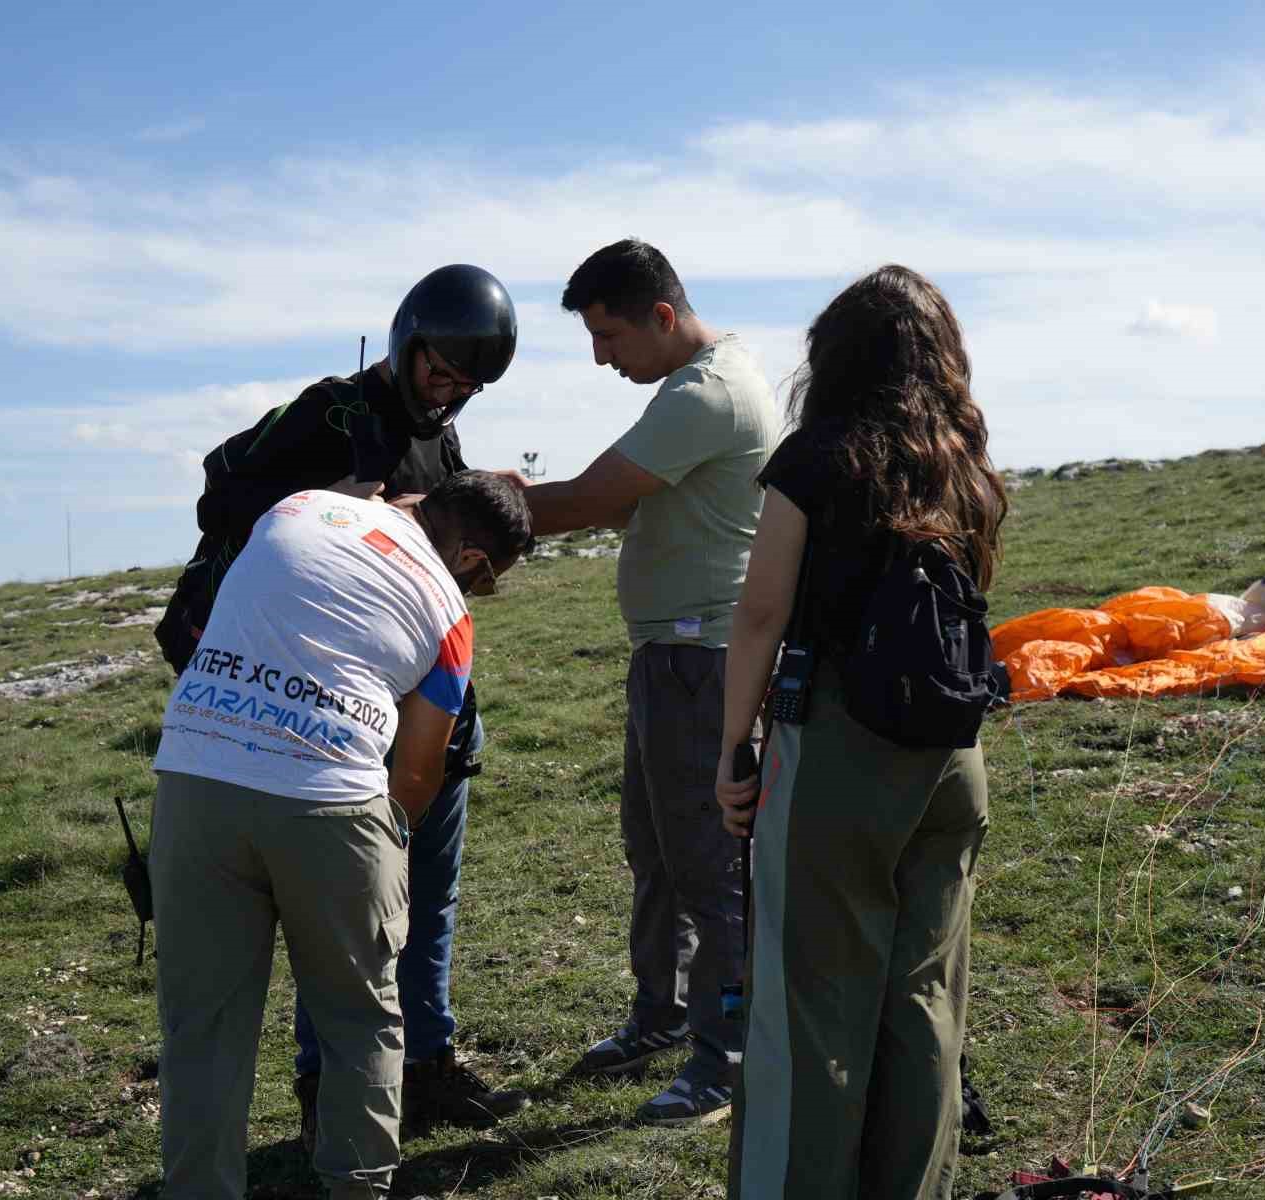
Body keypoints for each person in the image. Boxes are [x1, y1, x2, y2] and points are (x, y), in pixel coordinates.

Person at [152, 264, 531, 1143]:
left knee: (427, 898)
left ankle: (425, 1066)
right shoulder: (331, 411)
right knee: (343, 923)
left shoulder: (443, 441)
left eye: (470, 384)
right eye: (441, 370)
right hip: (311, 723)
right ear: (408, 342)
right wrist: (353, 504)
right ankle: (329, 1088)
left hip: (415, 702)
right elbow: (222, 489)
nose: (451, 393)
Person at [714, 265, 1005, 1199]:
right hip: (953, 759)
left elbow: (761, 613)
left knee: (811, 1009)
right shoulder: (965, 462)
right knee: (923, 1001)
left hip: (838, 749)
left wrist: (734, 751)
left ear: (833, 356)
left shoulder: (817, 455)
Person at [524, 239, 778, 1124]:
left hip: (699, 661)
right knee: (657, 851)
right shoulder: (690, 387)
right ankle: (662, 1016)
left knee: (708, 865)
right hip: (670, 658)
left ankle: (724, 1055)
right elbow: (623, 497)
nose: (601, 358)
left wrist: (448, 512)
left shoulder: (705, 395)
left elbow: (591, 499)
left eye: (608, 336)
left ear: (661, 317)